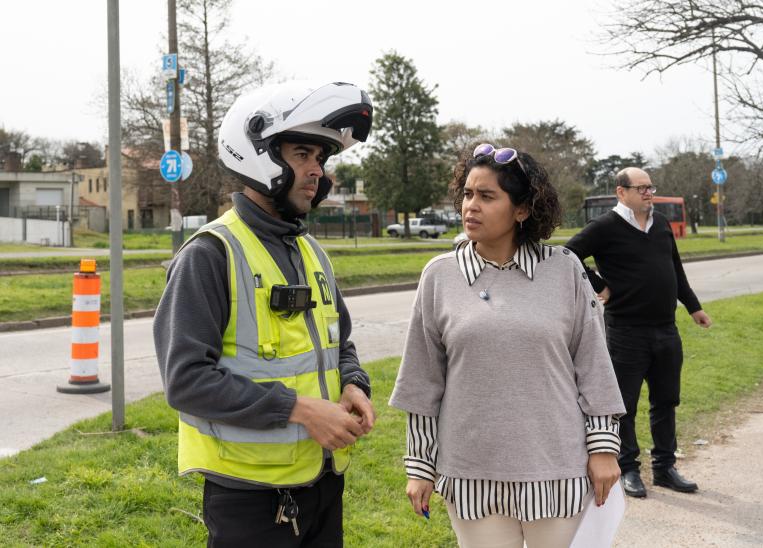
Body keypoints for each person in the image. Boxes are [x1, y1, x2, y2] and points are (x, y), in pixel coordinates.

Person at [153, 81, 376, 547]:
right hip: (249, 498)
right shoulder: (212, 254)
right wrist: (299, 410)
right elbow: (186, 380)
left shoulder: (312, 251)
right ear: (259, 155)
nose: (317, 171)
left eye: (321, 158)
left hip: (321, 483)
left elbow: (341, 343)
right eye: (302, 155)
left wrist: (354, 382)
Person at [389, 144, 626, 547]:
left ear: (521, 210)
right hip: (471, 473)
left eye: (486, 196)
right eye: (467, 194)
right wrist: (419, 467)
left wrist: (603, 447)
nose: (471, 206)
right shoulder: (439, 276)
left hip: (556, 470)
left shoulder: (565, 269)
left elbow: (594, 366)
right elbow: (422, 382)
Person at [565, 167, 712, 499]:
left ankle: (664, 468)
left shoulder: (659, 224)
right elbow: (567, 255)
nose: (649, 193)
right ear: (622, 192)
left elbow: (675, 268)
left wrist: (693, 307)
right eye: (641, 188)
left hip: (666, 330)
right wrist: (599, 285)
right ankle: (628, 469)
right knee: (624, 405)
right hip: (625, 332)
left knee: (666, 400)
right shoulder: (605, 227)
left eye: (650, 188)